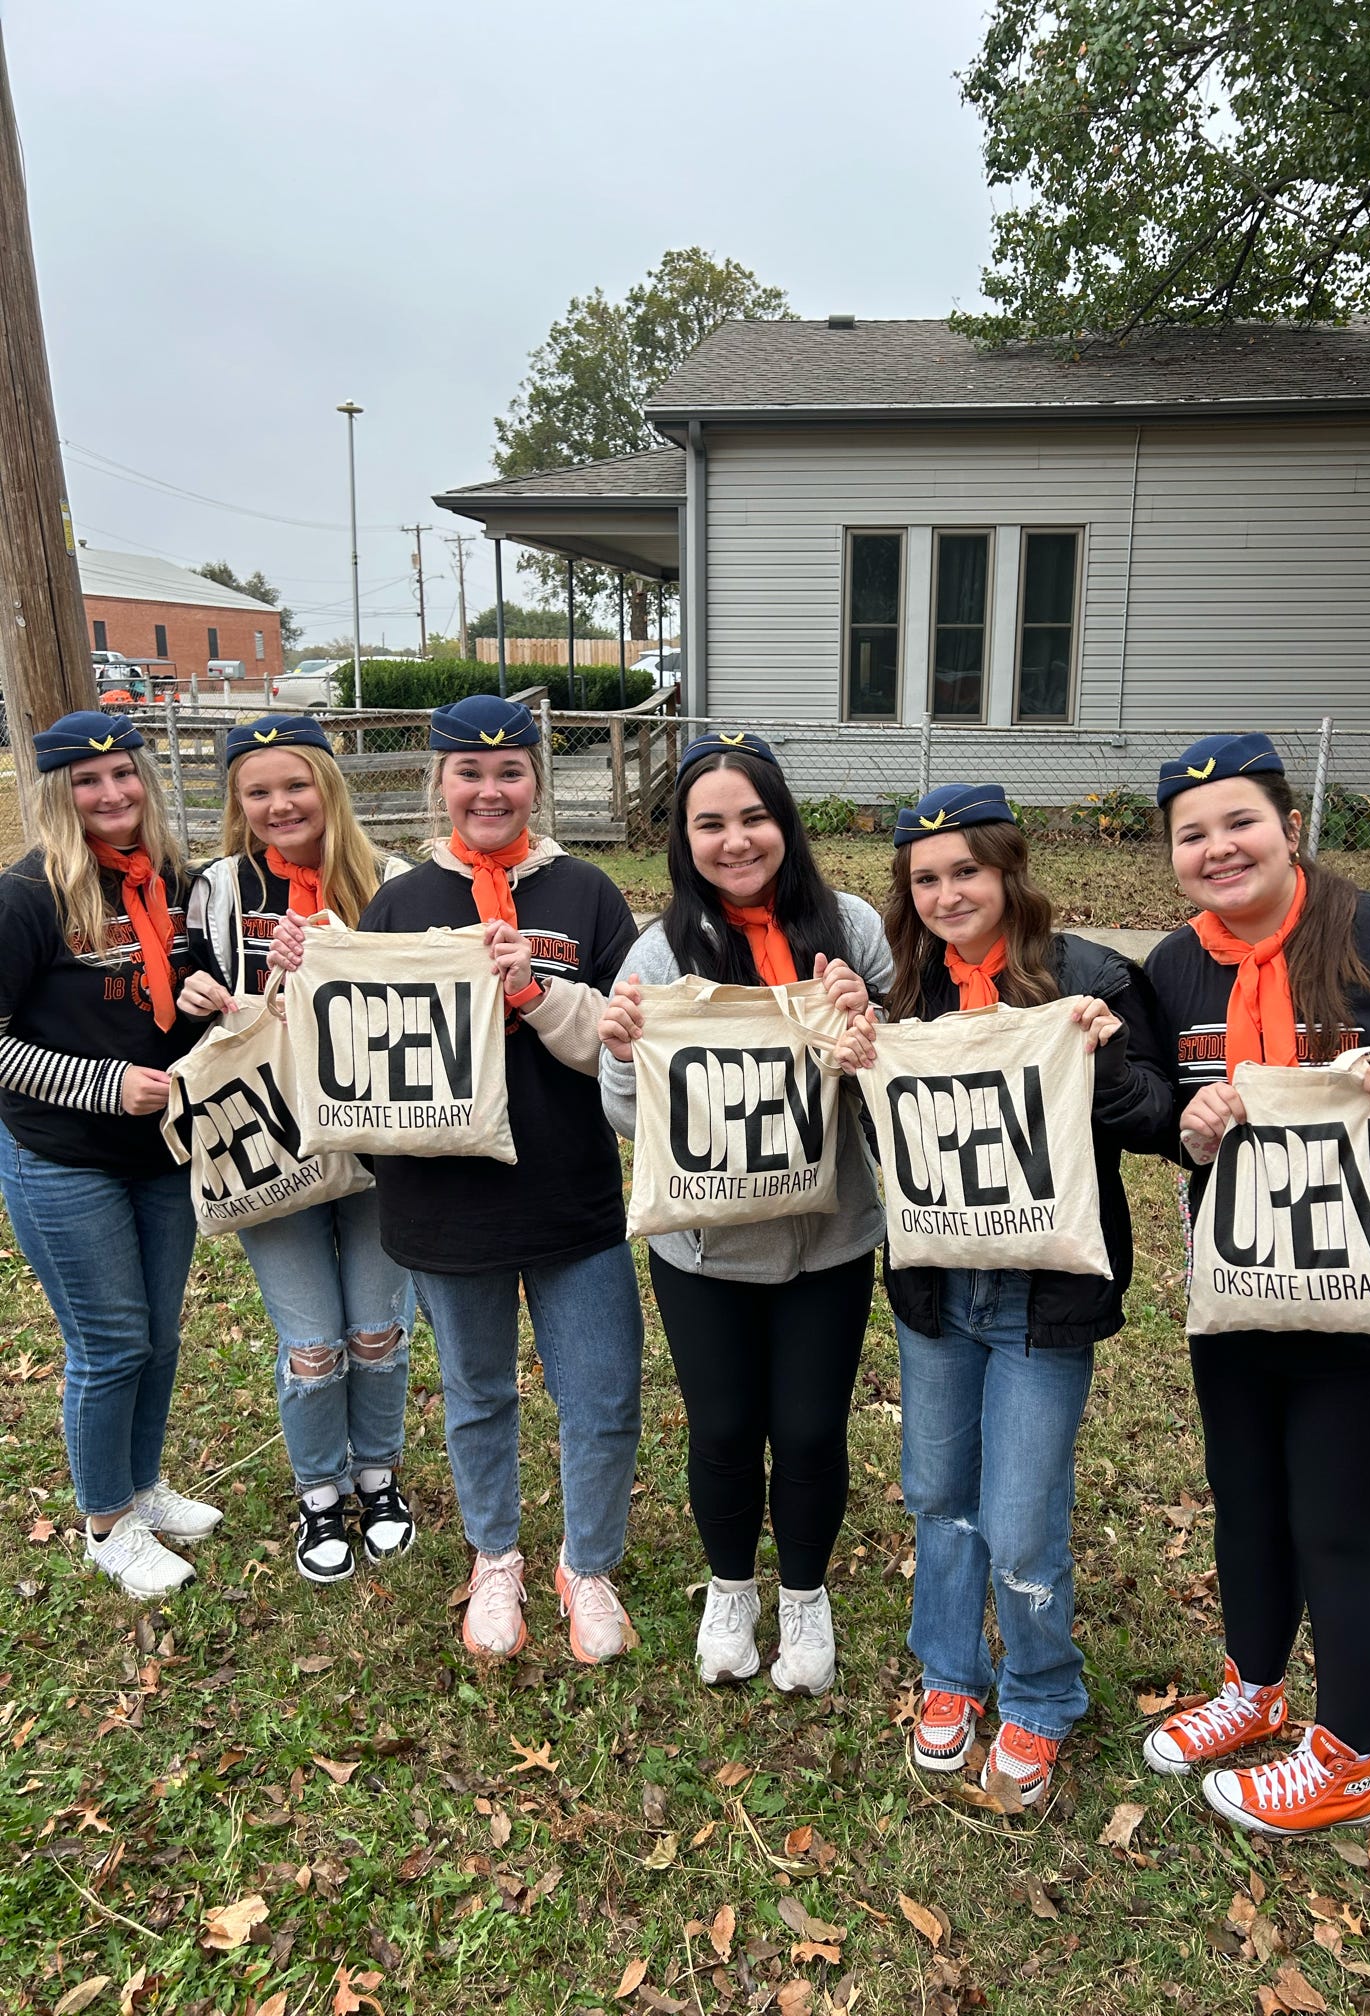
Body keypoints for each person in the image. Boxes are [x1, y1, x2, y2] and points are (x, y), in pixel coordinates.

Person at [1139, 732, 1370, 1835]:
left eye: (1240, 822)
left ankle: (1345, 1761)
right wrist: (1186, 1126)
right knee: (1249, 1508)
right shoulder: (1174, 968)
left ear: (1291, 827)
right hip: (1248, 1290)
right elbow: (1156, 1107)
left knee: (1339, 1529)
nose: (1219, 849)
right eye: (1191, 835)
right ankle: (1254, 1692)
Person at [270, 695, 642, 1663]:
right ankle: (496, 1557)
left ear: (536, 781)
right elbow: (347, 1042)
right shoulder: (400, 902)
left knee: (600, 1396)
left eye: (510, 770)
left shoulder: (588, 893)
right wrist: (299, 974)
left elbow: (627, 1041)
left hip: (573, 1195)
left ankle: (586, 1565)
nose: (490, 789)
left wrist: (535, 989)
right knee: (477, 1393)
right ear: (439, 781)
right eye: (469, 772)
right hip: (445, 1202)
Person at [853, 782, 1170, 1804]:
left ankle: (1040, 1690)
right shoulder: (902, 994)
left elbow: (1158, 1118)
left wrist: (1104, 1058)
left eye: (967, 872)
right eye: (927, 879)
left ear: (1006, 871)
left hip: (1045, 1302)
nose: (949, 894)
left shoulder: (1091, 975)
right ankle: (951, 1671)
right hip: (937, 1297)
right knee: (940, 1496)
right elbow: (893, 1155)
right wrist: (853, 1070)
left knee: (1023, 1514)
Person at [598, 731, 889, 1696]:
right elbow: (629, 1111)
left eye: (754, 816)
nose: (735, 840)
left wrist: (867, 1031)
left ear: (784, 822)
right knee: (722, 1427)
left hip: (831, 1237)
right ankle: (733, 1587)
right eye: (709, 822)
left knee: (809, 1430)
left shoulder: (851, 927)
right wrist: (617, 1049)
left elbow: (903, 1097)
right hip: (703, 1248)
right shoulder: (656, 947)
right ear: (683, 837)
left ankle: (804, 1593)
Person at [181, 715, 417, 1585]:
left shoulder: (389, 876)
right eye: (258, 791)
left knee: (376, 1329)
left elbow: (418, 997)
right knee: (312, 1342)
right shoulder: (213, 886)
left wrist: (342, 949)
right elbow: (185, 1009)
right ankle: (320, 1491)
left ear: (328, 784)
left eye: (295, 784)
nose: (280, 805)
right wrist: (209, 995)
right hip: (268, 1138)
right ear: (238, 804)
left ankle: (378, 1476)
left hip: (375, 1138)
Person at [0, 710, 218, 1598]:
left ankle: (140, 1485)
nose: (112, 793)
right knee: (109, 1341)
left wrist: (207, 992)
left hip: (161, 1148)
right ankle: (103, 1522)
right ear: (58, 792)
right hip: (65, 1154)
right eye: (88, 781)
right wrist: (101, 1083)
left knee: (159, 1337)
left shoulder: (169, 877)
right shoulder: (26, 897)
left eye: (124, 774)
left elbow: (178, 983)